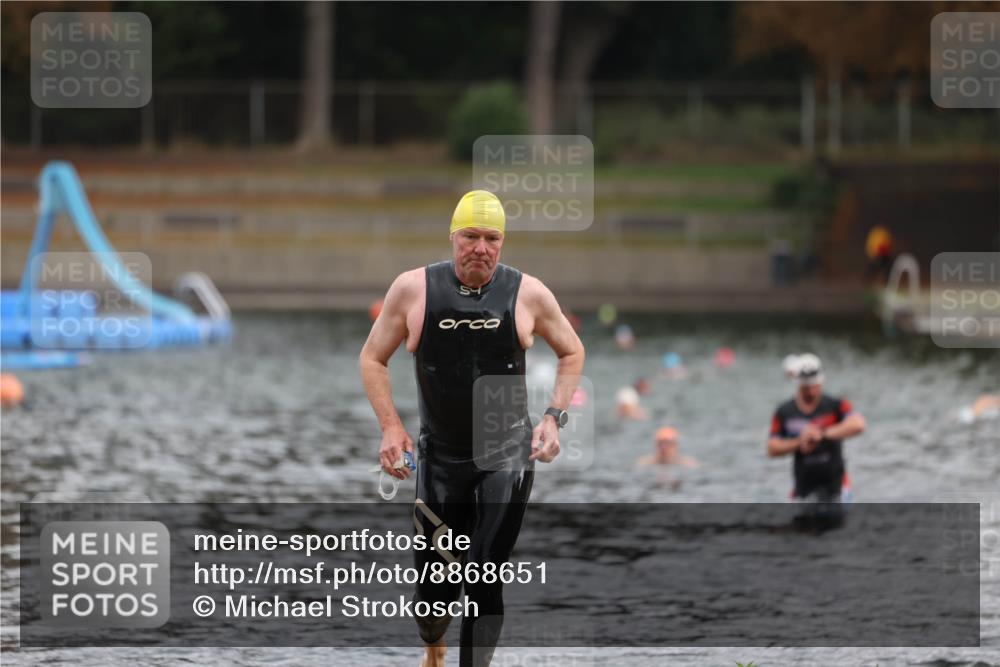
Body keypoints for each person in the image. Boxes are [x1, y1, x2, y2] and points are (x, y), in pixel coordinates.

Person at [359, 190, 585, 667]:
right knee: (432, 597)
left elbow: (572, 350)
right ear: (453, 237)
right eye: (471, 237)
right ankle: (433, 645)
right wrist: (390, 427)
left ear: (502, 242)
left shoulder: (528, 293)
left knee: (484, 574)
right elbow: (372, 358)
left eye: (492, 238)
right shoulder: (414, 289)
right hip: (440, 459)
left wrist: (553, 417)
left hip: (506, 453)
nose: (481, 248)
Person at [767, 354, 866, 502]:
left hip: (837, 487)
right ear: (798, 383)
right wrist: (800, 441)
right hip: (803, 489)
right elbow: (772, 448)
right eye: (806, 387)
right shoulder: (784, 412)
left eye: (814, 386)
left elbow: (858, 424)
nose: (811, 392)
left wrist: (821, 434)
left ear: (821, 382)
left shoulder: (835, 405)